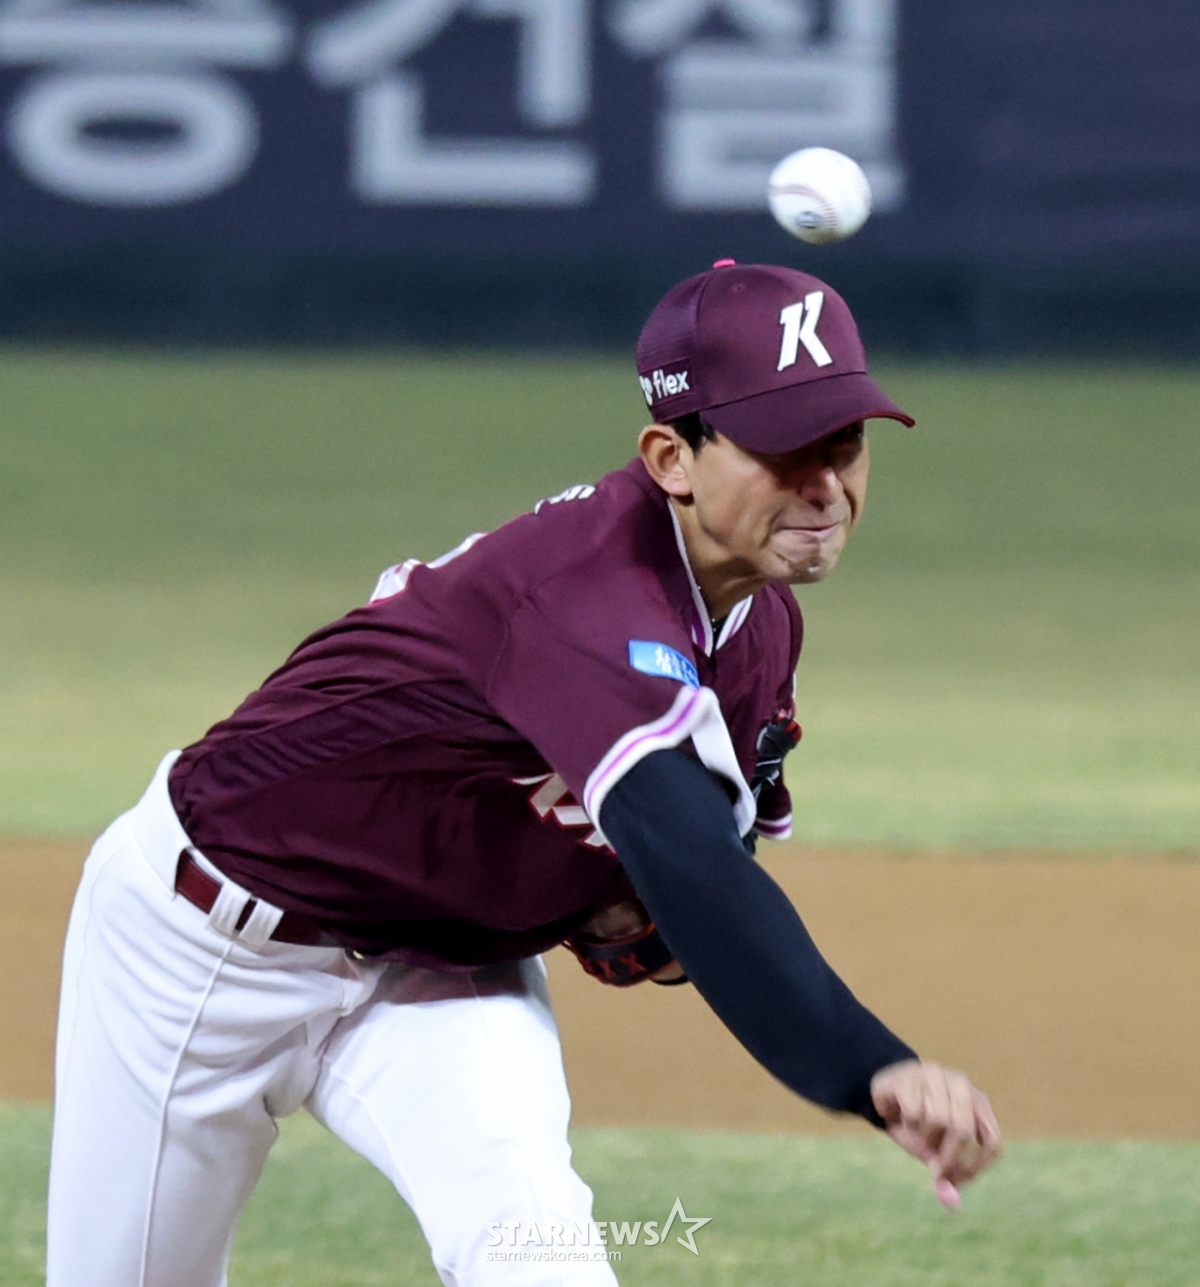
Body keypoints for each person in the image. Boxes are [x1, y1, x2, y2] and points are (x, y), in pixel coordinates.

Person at [47, 260, 1001, 1287]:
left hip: (442, 973)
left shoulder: (763, 632)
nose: (824, 484)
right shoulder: (586, 595)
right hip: (200, 946)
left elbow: (676, 902)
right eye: (782, 448)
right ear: (672, 459)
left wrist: (644, 921)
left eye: (844, 443)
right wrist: (868, 1063)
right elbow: (703, 878)